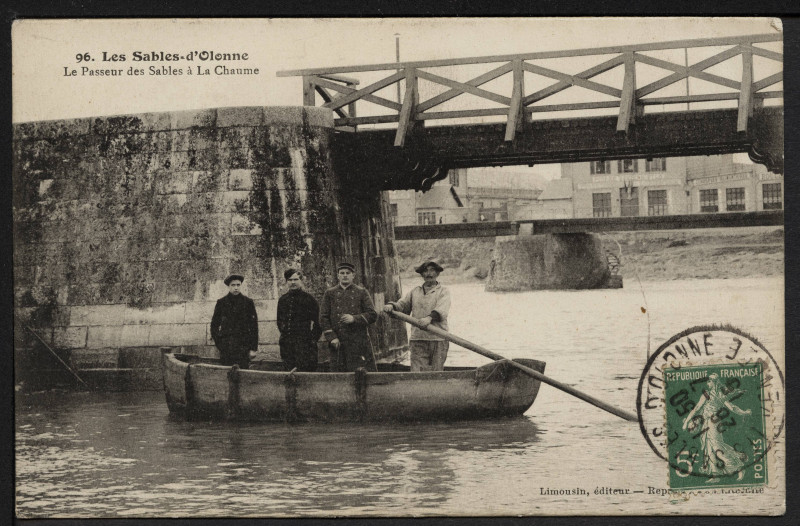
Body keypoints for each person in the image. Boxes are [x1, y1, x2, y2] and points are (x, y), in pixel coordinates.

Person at [682, 373, 752, 482]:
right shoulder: (719, 395)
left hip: (713, 423)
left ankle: (738, 466)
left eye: (709, 381)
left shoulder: (712, 395)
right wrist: (744, 412)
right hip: (707, 423)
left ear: (714, 382)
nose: (707, 383)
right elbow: (732, 408)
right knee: (709, 449)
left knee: (717, 447)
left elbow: (696, 408)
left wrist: (686, 422)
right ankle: (716, 475)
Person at [383, 260, 451, 371]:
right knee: (417, 372)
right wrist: (392, 306)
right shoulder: (415, 291)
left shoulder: (443, 291)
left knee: (436, 372)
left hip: (438, 339)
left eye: (432, 271)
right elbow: (402, 305)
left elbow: (442, 310)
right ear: (422, 274)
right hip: (418, 338)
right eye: (426, 271)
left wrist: (429, 318)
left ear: (437, 274)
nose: (429, 274)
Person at [320, 262, 378, 372]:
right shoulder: (330, 293)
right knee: (339, 374)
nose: (345, 275)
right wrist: (332, 337)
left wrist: (354, 319)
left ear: (353, 275)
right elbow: (323, 317)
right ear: (338, 276)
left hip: (358, 341)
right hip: (338, 341)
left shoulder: (361, 292)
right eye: (342, 273)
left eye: (348, 273)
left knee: (361, 373)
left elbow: (373, 314)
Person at [276, 268, 322, 372]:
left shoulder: (309, 299)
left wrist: (312, 340)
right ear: (286, 281)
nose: (293, 282)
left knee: (305, 374)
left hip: (305, 346)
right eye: (290, 280)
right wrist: (285, 336)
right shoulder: (283, 300)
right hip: (287, 346)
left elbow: (318, 323)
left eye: (296, 279)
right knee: (289, 374)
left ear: (301, 280)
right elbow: (279, 321)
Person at [210, 274, 259, 369]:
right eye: (233, 285)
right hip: (227, 348)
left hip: (243, 347)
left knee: (243, 373)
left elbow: (254, 327)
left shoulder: (248, 302)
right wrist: (220, 344)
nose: (236, 288)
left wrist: (253, 348)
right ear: (228, 286)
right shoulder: (221, 302)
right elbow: (214, 325)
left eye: (238, 285)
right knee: (227, 373)